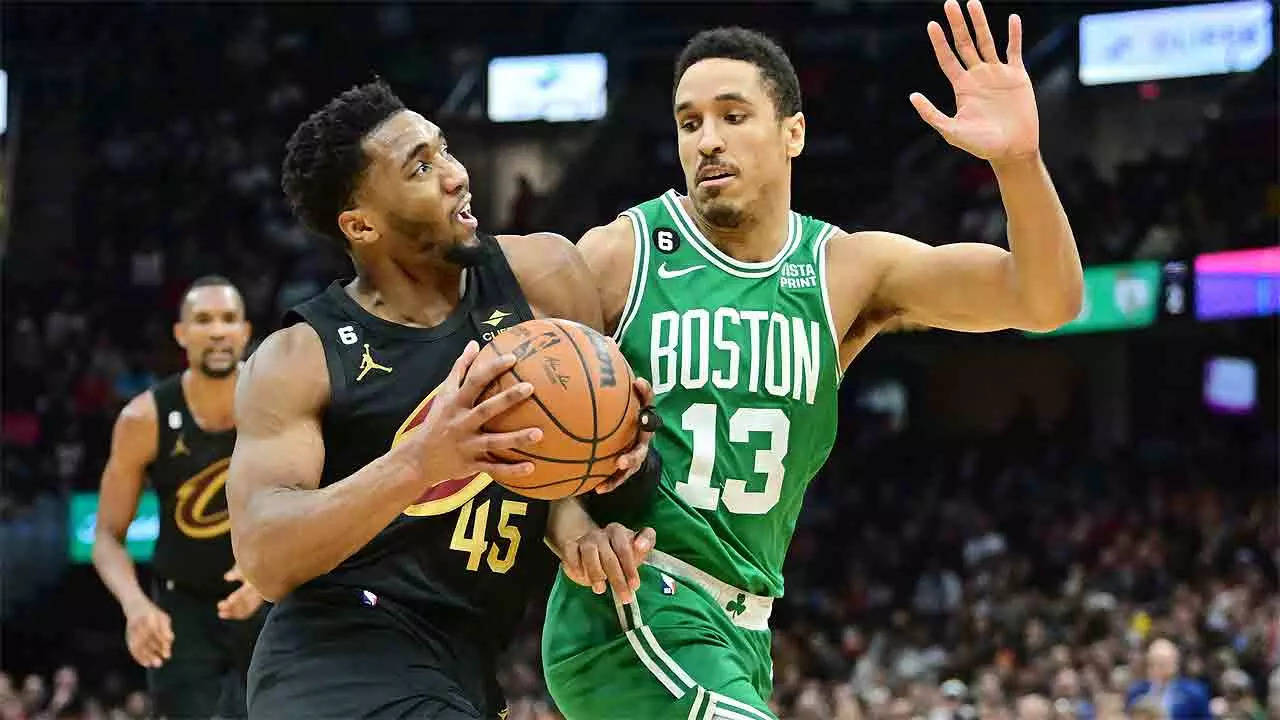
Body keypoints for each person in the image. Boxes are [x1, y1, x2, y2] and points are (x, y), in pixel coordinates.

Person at [543, 2, 1083, 717]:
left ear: (793, 132)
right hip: (633, 605)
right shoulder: (622, 254)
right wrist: (571, 525)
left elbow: (1046, 301)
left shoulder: (846, 271)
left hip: (742, 631)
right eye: (689, 121)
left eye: (734, 116)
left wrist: (1017, 164)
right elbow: (527, 419)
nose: (707, 140)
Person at [229, 79, 657, 719]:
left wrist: (587, 511)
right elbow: (265, 557)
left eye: (444, 149)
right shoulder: (300, 356)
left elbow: (564, 470)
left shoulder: (544, 277)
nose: (456, 174)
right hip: (338, 657)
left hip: (466, 665)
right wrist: (421, 461)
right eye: (421, 167)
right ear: (361, 224)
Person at [92, 276, 267, 719]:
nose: (217, 331)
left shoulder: (278, 400)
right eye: (203, 320)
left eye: (228, 319)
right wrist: (136, 607)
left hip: (268, 594)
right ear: (181, 334)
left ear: (245, 332)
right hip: (182, 610)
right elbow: (107, 535)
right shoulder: (143, 418)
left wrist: (273, 575)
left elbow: (320, 498)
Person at [1125, 638, 1210, 719]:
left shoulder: (1193, 693)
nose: (1156, 668)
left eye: (1163, 663)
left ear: (1175, 664)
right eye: (1153, 663)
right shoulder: (1136, 692)